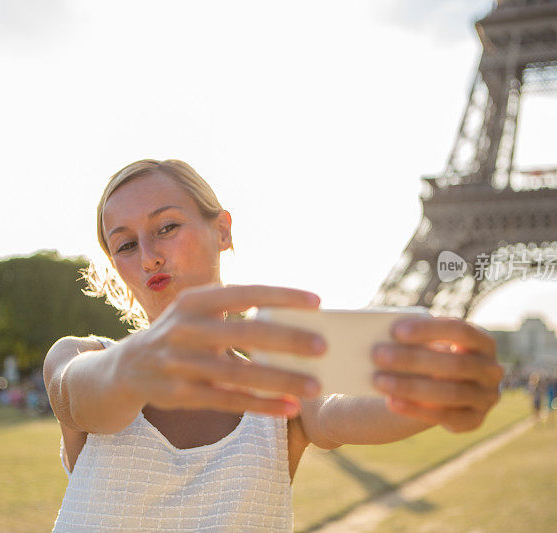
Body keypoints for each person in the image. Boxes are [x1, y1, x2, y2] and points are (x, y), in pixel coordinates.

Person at [44, 159, 504, 531]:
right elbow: (83, 397)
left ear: (222, 230)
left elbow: (336, 413)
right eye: (124, 245)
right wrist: (148, 357)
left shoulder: (279, 388)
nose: (149, 256)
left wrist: (435, 395)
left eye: (166, 227)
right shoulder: (79, 357)